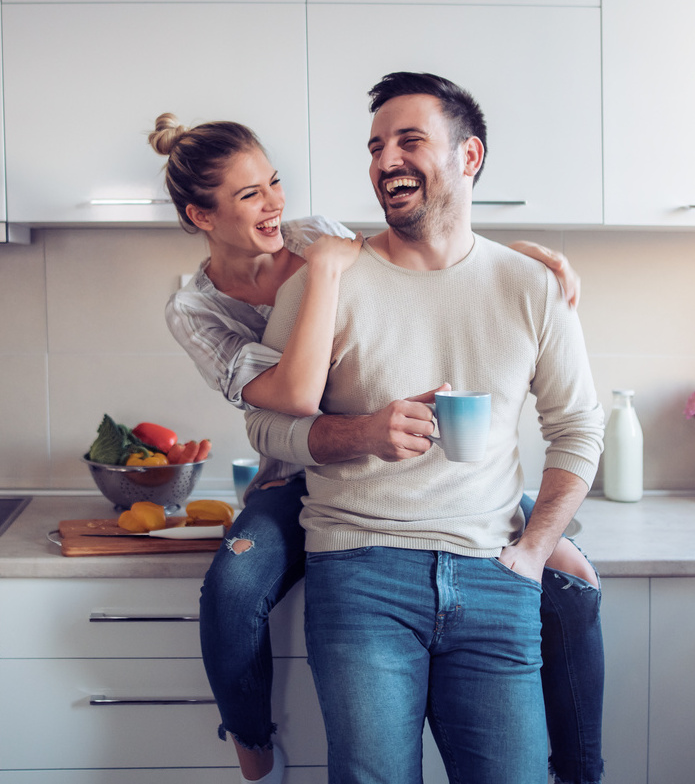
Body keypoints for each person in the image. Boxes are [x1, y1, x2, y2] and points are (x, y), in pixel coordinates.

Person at [154, 111, 602, 784]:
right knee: (235, 581)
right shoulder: (200, 305)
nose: (274, 202)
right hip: (300, 473)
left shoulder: (314, 236)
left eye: (273, 183)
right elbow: (290, 401)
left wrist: (521, 265)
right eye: (249, 195)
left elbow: (429, 243)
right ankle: (250, 740)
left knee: (572, 579)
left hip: (441, 507)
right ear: (201, 215)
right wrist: (328, 279)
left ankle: (578, 769)